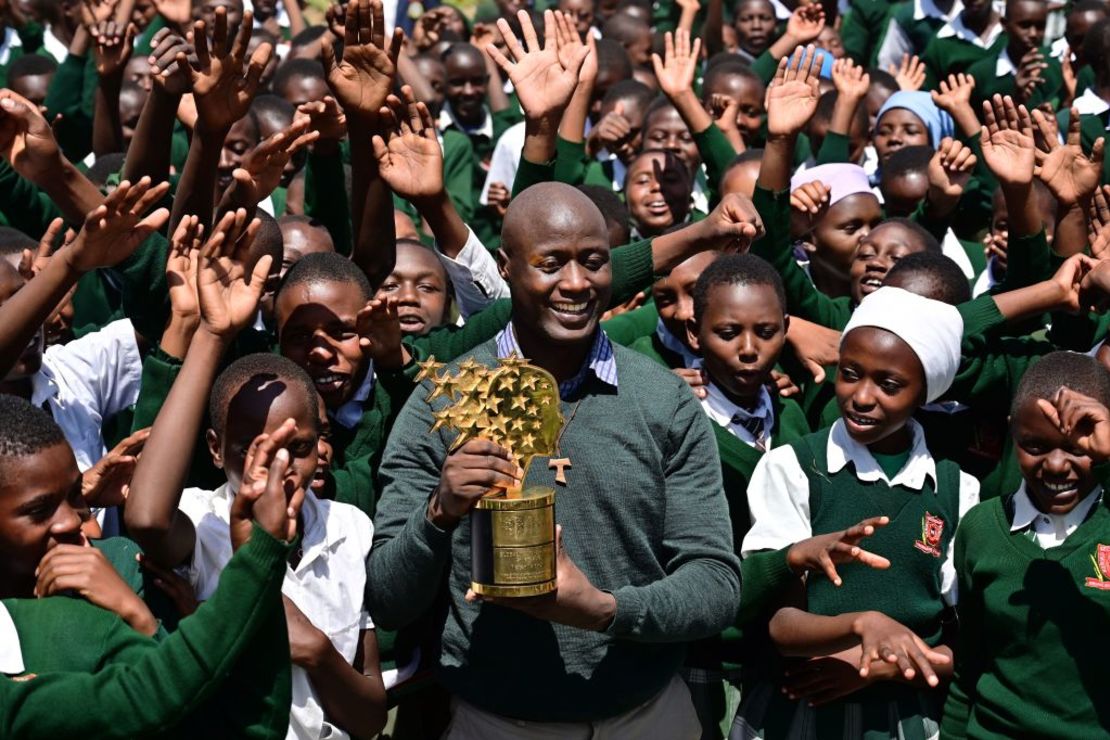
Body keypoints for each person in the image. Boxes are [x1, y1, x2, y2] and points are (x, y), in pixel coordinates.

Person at [367, 181, 744, 736]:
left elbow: (715, 583)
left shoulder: (662, 399)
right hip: (494, 722)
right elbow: (387, 599)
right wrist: (439, 513)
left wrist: (603, 609)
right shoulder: (441, 400)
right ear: (507, 267)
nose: (575, 283)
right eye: (550, 263)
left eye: (593, 262)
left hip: (646, 717)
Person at [122, 210, 388, 739]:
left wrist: (313, 650)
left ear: (324, 449)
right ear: (216, 449)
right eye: (253, 448)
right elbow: (148, 519)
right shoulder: (203, 523)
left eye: (300, 447)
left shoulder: (350, 528)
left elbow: (370, 718)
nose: (279, 467)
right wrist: (213, 334)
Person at [737, 286, 980, 737]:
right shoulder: (795, 468)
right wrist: (862, 626)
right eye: (850, 373)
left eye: (889, 384)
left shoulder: (955, 489)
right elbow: (780, 626)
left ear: (926, 391)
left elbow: (968, 641)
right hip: (799, 711)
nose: (862, 396)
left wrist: (881, 664)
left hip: (902, 715)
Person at [0, 393, 302, 739]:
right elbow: (142, 699)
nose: (71, 521)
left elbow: (246, 726)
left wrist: (144, 621)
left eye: (76, 495)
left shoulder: (116, 569)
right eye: (39, 510)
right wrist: (257, 561)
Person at [943, 354, 1110, 738]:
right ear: (1011, 433)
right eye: (1034, 445)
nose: (1054, 465)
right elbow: (969, 665)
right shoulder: (981, 527)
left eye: (1078, 447)